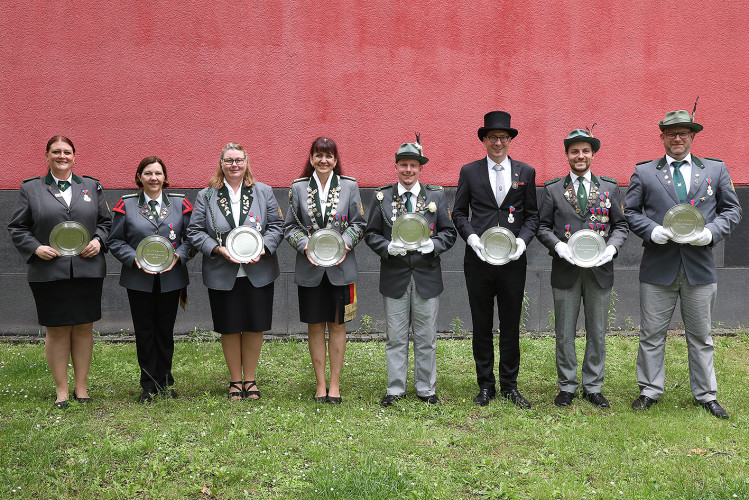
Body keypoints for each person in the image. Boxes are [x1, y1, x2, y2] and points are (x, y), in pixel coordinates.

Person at [624, 110, 742, 419]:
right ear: (662, 137)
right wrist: (651, 230)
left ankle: (706, 394)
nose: (677, 138)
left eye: (684, 133)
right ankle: (649, 390)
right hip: (658, 266)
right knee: (651, 333)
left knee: (701, 336)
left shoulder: (715, 170)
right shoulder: (646, 172)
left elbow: (732, 209)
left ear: (692, 137)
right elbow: (631, 212)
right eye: (671, 133)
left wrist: (711, 232)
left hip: (699, 266)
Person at [8, 136, 111, 408]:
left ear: (75, 157)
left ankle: (82, 388)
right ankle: (62, 390)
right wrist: (36, 248)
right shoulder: (31, 189)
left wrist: (98, 241)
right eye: (56, 152)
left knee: (84, 328)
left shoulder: (91, 186)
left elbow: (106, 222)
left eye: (67, 152)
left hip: (87, 269)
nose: (62, 156)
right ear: (47, 156)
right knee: (56, 329)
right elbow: (17, 227)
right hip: (48, 270)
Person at [536, 129, 629, 408]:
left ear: (592, 154)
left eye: (585, 151)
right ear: (567, 155)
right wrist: (558, 246)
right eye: (574, 151)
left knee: (598, 330)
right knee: (564, 331)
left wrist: (611, 249)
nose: (580, 156)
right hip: (565, 269)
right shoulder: (553, 189)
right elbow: (542, 226)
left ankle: (593, 386)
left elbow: (621, 226)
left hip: (600, 270)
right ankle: (566, 385)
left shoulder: (609, 188)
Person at [452, 111, 539, 408]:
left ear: (510, 139)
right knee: (481, 321)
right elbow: (459, 213)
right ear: (484, 140)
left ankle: (510, 385)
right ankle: (485, 384)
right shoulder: (469, 171)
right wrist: (472, 237)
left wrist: (522, 242)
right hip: (478, 260)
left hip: (513, 261)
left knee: (511, 322)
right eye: (492, 137)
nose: (498, 142)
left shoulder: (526, 172)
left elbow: (532, 216)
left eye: (503, 137)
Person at [187, 143, 283, 401]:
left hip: (258, 268)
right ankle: (234, 381)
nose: (234, 165)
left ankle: (250, 380)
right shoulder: (206, 196)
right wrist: (217, 249)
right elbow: (194, 232)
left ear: (246, 162)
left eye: (238, 160)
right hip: (222, 268)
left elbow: (276, 226)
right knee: (229, 327)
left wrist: (264, 247)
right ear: (221, 164)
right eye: (228, 160)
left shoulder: (263, 191)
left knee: (254, 325)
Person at [364, 140, 457, 406]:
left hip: (426, 275)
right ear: (396, 167)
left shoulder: (435, 196)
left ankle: (426, 389)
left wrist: (433, 245)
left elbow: (449, 233)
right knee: (395, 337)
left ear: (420, 168)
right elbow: (370, 234)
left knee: (426, 337)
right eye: (403, 165)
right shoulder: (382, 196)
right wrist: (387, 247)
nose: (408, 170)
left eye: (413, 165)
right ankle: (395, 389)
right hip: (395, 275)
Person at [284, 137, 366, 404]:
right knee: (315, 325)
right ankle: (320, 385)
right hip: (310, 267)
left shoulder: (349, 186)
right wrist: (306, 246)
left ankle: (335, 384)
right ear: (311, 159)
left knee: (338, 325)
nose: (323, 160)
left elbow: (359, 224)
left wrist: (344, 244)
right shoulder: (298, 189)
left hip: (341, 267)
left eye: (329, 156)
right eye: (318, 155)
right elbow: (289, 227)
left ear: (335, 160)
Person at [108, 156, 194, 402]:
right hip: (139, 278)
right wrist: (133, 258)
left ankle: (165, 381)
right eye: (148, 173)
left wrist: (179, 255)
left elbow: (191, 238)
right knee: (145, 331)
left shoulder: (180, 204)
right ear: (139, 178)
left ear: (165, 178)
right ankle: (148, 385)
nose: (153, 178)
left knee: (165, 331)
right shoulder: (126, 205)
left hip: (171, 277)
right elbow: (114, 240)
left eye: (158, 173)